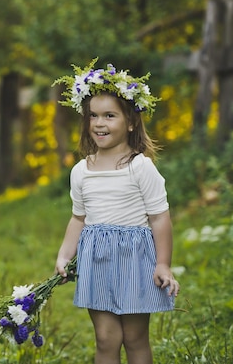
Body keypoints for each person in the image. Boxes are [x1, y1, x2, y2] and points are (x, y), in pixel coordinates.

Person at [52, 60, 180, 364]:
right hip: (97, 260)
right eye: (93, 116)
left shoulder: (140, 167)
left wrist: (163, 264)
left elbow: (159, 217)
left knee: (135, 338)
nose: (99, 123)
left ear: (131, 122)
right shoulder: (81, 170)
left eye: (109, 116)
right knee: (106, 338)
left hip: (134, 260)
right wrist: (64, 255)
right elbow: (78, 218)